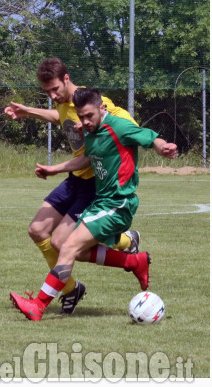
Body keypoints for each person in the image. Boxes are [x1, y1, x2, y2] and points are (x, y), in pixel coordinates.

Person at [9, 87, 178, 321]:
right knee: (71, 248)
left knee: (68, 248)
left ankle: (37, 306)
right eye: (81, 117)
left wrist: (162, 146)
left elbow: (148, 136)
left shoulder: (118, 126)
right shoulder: (90, 129)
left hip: (119, 203)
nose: (85, 121)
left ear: (102, 108)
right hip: (101, 203)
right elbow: (87, 157)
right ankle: (134, 261)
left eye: (89, 116)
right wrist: (54, 168)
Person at [3, 57, 140, 314]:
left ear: (67, 78)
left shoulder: (87, 101)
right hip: (74, 180)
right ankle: (73, 288)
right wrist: (28, 111)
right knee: (36, 230)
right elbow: (59, 117)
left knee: (61, 244)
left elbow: (118, 117)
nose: (52, 95)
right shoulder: (66, 104)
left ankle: (123, 243)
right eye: (47, 92)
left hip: (92, 185)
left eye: (55, 89)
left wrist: (119, 130)